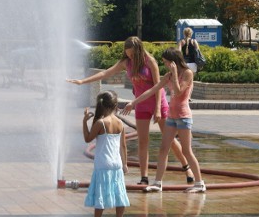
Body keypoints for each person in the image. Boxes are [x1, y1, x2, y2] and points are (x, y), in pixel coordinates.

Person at [67, 37, 195, 186]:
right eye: (128, 54)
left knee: (170, 141)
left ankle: (187, 169)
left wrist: (158, 109)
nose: (130, 57)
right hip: (140, 104)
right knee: (142, 141)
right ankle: (144, 177)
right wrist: (82, 81)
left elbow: (158, 86)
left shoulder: (150, 61)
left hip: (158, 103)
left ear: (139, 50)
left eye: (133, 54)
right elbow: (106, 73)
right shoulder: (126, 63)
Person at [122, 48, 206, 193]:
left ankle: (199, 184)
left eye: (167, 62)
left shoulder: (187, 73)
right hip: (172, 117)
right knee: (163, 149)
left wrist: (174, 75)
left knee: (186, 151)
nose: (165, 65)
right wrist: (134, 102)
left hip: (183, 116)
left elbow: (179, 92)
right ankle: (157, 183)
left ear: (173, 62)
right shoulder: (168, 75)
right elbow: (152, 90)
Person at [82, 90, 130, 217]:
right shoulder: (120, 123)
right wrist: (125, 164)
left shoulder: (101, 123)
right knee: (119, 192)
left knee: (100, 192)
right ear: (115, 105)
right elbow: (124, 146)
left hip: (103, 163)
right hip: (117, 163)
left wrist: (84, 122)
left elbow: (87, 139)